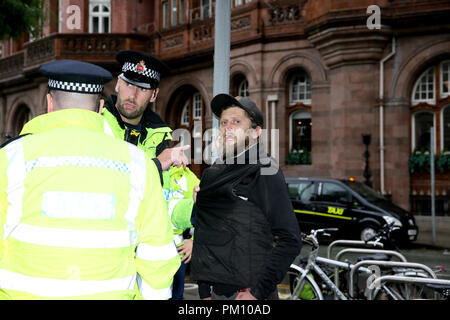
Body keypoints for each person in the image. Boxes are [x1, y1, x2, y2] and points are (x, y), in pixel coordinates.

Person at [0, 60, 180, 299]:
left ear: (50, 103)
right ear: (100, 107)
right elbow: (157, 257)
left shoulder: (11, 158)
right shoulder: (139, 163)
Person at [102, 50, 199, 300]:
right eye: (129, 85)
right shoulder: (96, 128)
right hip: (106, 260)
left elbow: (166, 207)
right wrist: (157, 164)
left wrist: (198, 207)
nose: (133, 95)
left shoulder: (162, 139)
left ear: (154, 94)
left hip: (152, 270)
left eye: (143, 89)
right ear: (118, 84)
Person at [190, 94, 302, 300]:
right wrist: (204, 291)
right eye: (224, 122)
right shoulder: (215, 172)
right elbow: (206, 235)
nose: (228, 127)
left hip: (247, 294)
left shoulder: (265, 170)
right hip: (216, 293)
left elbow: (290, 239)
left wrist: (257, 292)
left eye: (237, 121)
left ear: (256, 131)